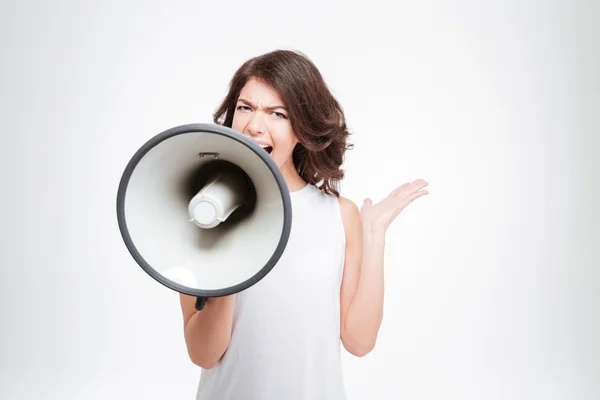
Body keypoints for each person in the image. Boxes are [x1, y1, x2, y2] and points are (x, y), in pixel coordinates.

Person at [179, 49, 429, 400]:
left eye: (277, 114)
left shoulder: (339, 215)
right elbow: (203, 354)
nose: (254, 126)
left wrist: (372, 235)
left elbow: (359, 341)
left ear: (302, 127)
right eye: (245, 107)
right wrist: (229, 254)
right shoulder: (200, 212)